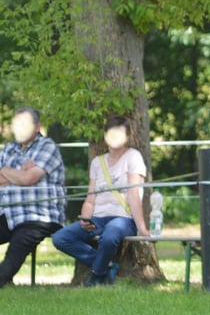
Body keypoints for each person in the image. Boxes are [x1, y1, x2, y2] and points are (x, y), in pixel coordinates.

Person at [52, 116, 149, 286]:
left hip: (123, 218)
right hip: (97, 218)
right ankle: (107, 266)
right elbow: (91, 198)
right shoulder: (98, 162)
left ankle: (96, 274)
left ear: (127, 136)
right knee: (61, 238)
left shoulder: (133, 157)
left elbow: (134, 193)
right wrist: (85, 219)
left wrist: (142, 228)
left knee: (110, 235)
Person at [0, 107, 66, 288]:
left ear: (37, 127)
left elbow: (29, 179)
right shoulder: (10, 148)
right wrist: (19, 172)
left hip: (38, 215)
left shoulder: (47, 147)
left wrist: (6, 171)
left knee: (18, 246)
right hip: (8, 213)